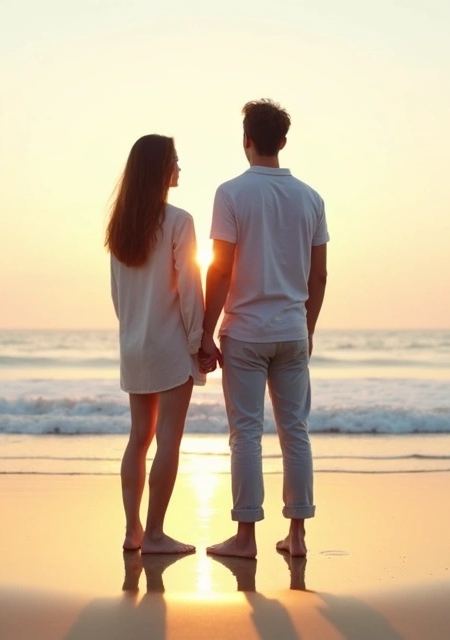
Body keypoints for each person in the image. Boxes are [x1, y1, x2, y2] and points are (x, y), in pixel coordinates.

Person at [200, 100, 329, 559]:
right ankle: (296, 537)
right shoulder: (311, 197)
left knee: (247, 435)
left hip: (245, 332)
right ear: (284, 142)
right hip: (292, 329)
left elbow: (219, 270)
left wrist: (203, 331)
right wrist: (308, 327)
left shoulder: (232, 193)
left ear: (246, 139)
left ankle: (246, 538)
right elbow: (319, 276)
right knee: (296, 431)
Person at [106, 134, 213, 554]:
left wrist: (133, 331)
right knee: (168, 440)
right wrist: (197, 342)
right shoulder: (178, 221)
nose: (180, 168)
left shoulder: (120, 227)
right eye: (175, 161)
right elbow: (189, 287)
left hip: (134, 344)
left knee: (138, 439)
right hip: (169, 346)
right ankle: (154, 534)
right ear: (160, 169)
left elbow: (117, 294)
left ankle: (132, 531)